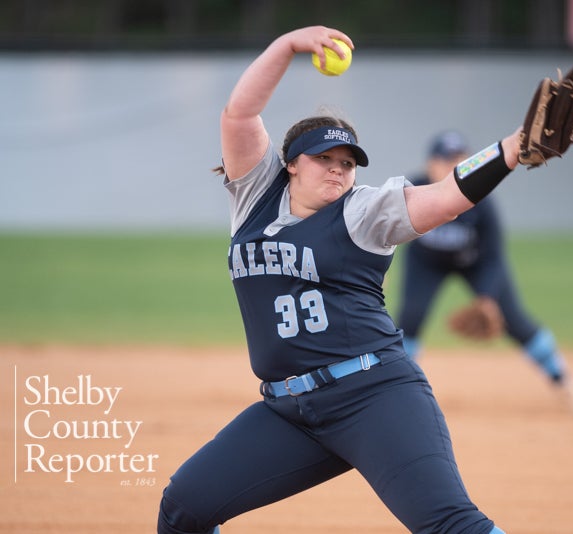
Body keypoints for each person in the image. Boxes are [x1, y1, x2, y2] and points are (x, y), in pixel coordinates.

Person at [159, 25, 534, 534]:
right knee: (184, 508)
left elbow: (446, 196)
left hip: (374, 396)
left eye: (347, 164)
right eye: (324, 160)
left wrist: (514, 147)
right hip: (288, 411)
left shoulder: (364, 211)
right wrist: (288, 45)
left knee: (449, 524)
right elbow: (239, 114)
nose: (338, 171)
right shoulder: (253, 198)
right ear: (290, 164)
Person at [395, 131, 573, 417]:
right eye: (446, 159)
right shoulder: (413, 190)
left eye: (460, 159)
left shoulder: (480, 200)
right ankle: (398, 392)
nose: (453, 165)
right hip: (426, 263)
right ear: (430, 164)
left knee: (514, 321)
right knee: (409, 319)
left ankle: (562, 380)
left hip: (476, 263)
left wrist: (487, 297)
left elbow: (493, 257)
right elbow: (386, 229)